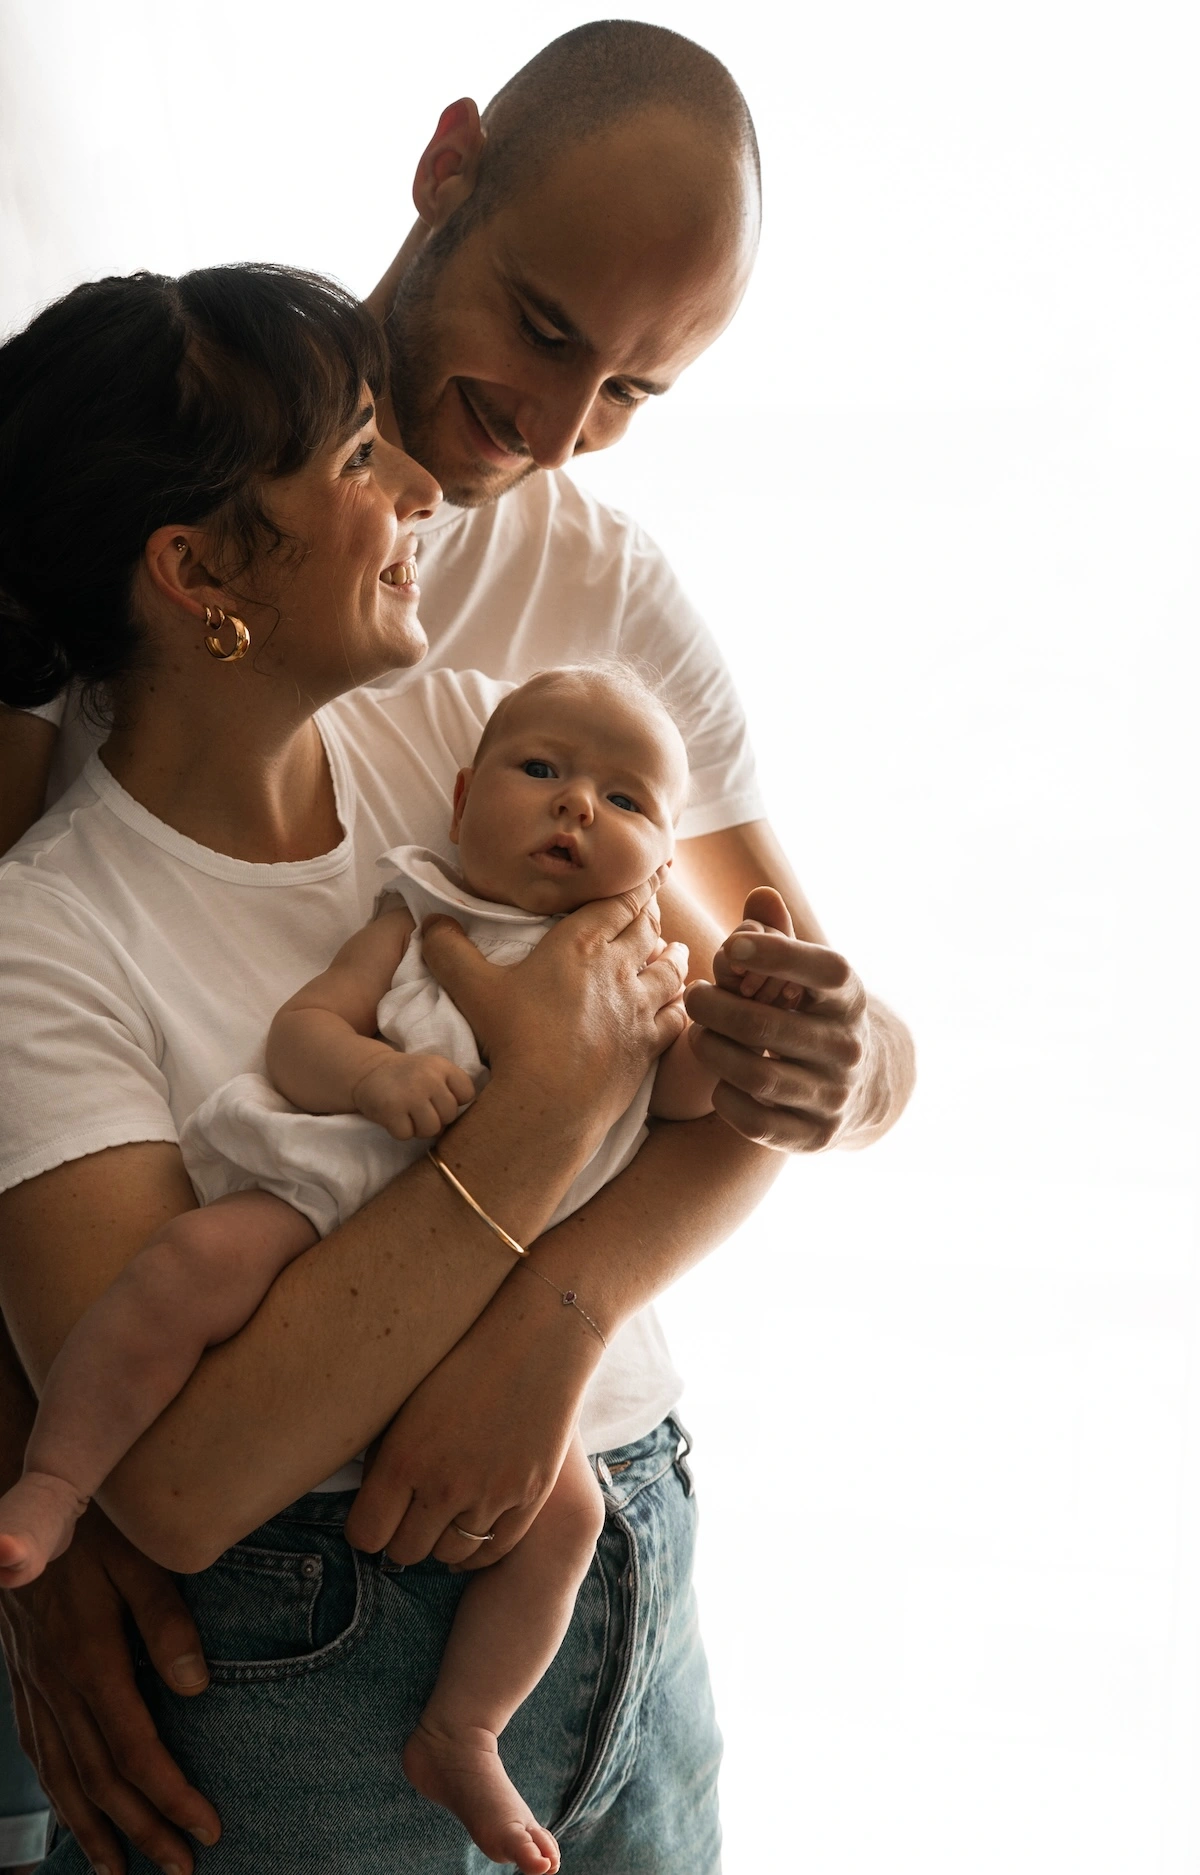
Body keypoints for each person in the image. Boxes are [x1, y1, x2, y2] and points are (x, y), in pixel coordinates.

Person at [0, 24, 915, 1875]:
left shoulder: (534, 655)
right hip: (258, 1553)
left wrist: (567, 1307)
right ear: (447, 170)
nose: (557, 434)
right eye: (550, 330)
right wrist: (56, 1512)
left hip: (600, 1511)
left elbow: (811, 1032)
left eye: (639, 393)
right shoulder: (148, 469)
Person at [0, 662, 746, 1874]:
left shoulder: (642, 951)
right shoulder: (423, 898)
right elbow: (307, 1032)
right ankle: (56, 1480)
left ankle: (464, 1729)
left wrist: (735, 1029)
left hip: (497, 1303)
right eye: (543, 773)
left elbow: (693, 1106)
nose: (576, 812)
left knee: (567, 1518)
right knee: (188, 1265)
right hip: (342, 1187)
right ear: (462, 795)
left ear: (664, 857)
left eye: (626, 802)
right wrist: (375, 1077)